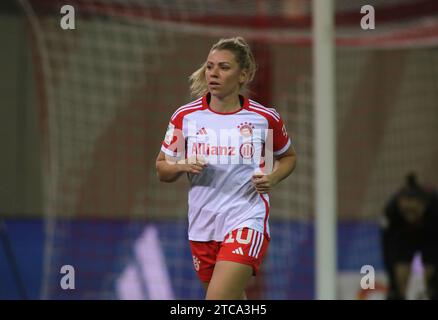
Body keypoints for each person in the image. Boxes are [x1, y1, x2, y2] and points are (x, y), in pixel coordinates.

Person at [155, 37, 297, 300]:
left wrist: (272, 178)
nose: (214, 74)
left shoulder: (263, 118)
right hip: (203, 225)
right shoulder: (186, 117)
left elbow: (288, 157)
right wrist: (184, 164)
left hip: (245, 218)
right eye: (210, 67)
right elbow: (162, 168)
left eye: (224, 67)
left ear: (243, 75)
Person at [380, 172, 438, 300]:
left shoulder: (435, 209)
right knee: (399, 279)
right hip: (403, 239)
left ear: (424, 204)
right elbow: (387, 245)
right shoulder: (392, 210)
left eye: (414, 211)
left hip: (431, 238)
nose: (410, 216)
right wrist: (393, 279)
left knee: (432, 281)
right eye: (405, 211)